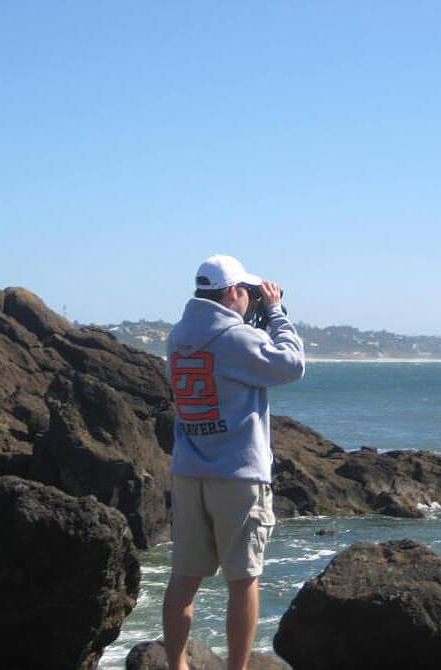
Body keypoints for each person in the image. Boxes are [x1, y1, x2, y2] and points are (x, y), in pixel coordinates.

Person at [163, 254, 305, 670]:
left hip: (189, 471)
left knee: (183, 580)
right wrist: (275, 312)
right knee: (243, 581)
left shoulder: (178, 337)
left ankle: (176, 665)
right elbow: (291, 365)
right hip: (238, 476)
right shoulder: (237, 340)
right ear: (232, 292)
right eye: (248, 292)